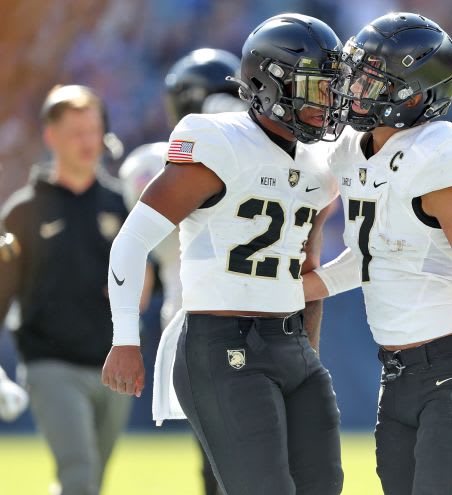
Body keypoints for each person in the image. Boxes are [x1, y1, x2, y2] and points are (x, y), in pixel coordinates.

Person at [101, 13, 344, 495]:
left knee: (323, 486)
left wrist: (306, 352)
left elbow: (306, 274)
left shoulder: (320, 167)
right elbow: (130, 241)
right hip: (222, 341)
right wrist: (125, 338)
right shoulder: (218, 140)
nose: (328, 104)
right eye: (318, 89)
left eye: (333, 90)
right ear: (270, 84)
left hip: (289, 342)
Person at [303, 12, 452, 494]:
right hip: (397, 377)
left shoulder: (442, 156)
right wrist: (294, 286)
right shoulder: (353, 150)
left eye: (370, 79)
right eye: (355, 74)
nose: (353, 88)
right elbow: (374, 256)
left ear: (413, 95)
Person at [118, 47, 246, 495]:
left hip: (210, 319)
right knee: (230, 456)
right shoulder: (157, 165)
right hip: (210, 320)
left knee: (230, 455)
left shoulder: (153, 164)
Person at [0, 85, 133, 495]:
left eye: (93, 130)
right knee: (79, 475)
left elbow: (151, 284)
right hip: (50, 364)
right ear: (51, 136)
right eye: (75, 131)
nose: (86, 141)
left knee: (90, 480)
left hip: (116, 368)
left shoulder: (124, 204)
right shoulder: (23, 212)